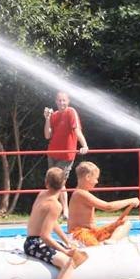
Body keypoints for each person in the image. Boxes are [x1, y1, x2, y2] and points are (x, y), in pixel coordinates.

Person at [25, 167, 88, 279]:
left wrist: (66, 241)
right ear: (64, 184)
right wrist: (64, 252)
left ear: (46, 183)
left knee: (76, 252)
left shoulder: (42, 194)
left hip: (32, 241)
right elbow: (45, 236)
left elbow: (51, 223)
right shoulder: (55, 205)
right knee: (67, 263)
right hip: (35, 244)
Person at [68, 162, 140, 247]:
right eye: (96, 178)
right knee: (96, 248)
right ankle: (105, 245)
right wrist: (130, 200)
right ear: (88, 177)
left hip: (92, 232)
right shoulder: (80, 193)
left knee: (125, 223)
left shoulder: (83, 193)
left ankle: (111, 241)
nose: (97, 181)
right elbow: (108, 207)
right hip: (79, 234)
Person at [43, 91, 89, 221]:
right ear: (56, 101)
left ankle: (64, 210)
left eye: (64, 100)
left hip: (66, 154)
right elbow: (47, 135)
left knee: (60, 182)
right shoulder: (54, 115)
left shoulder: (71, 112)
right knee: (52, 182)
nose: (61, 102)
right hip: (52, 153)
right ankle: (57, 210)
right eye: (59, 100)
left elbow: (77, 130)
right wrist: (47, 118)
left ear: (68, 101)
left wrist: (84, 145)